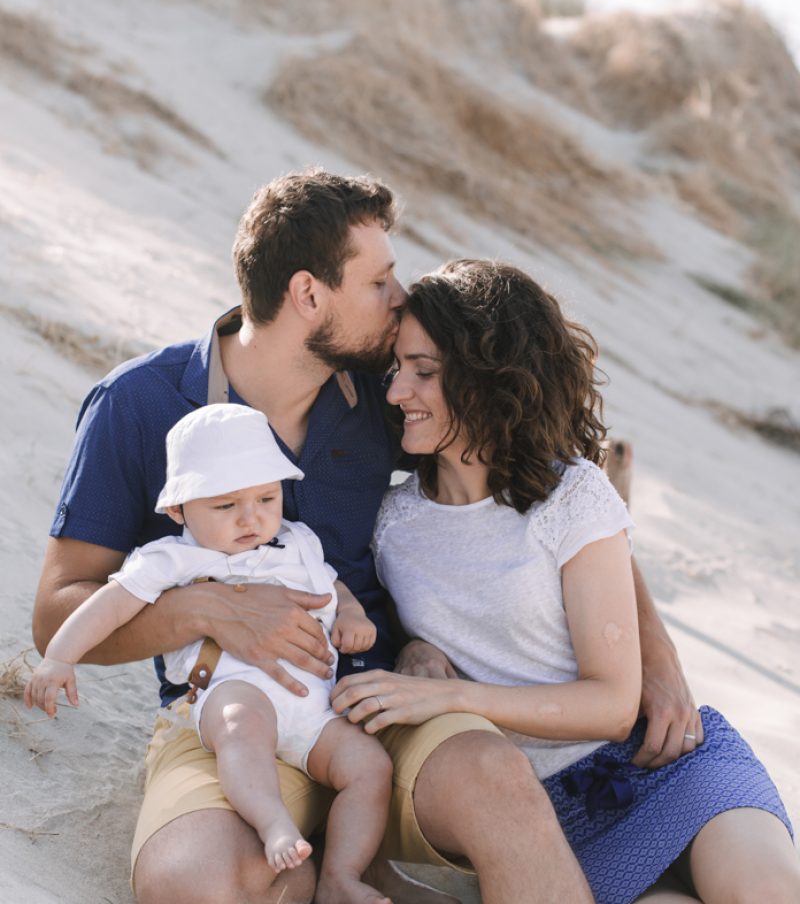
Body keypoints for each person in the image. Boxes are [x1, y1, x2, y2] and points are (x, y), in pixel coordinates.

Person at [32, 169, 695, 904]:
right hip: (234, 716)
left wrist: (655, 654)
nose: (400, 298)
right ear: (309, 295)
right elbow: (57, 613)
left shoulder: (387, 390)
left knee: (497, 785)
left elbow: (558, 482)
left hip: (387, 708)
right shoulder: (138, 405)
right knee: (195, 884)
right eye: (379, 281)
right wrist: (207, 611)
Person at [331, 259, 800, 904]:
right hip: (557, 813)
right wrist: (418, 657)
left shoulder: (571, 494)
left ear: (489, 379)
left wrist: (454, 699)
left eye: (425, 373)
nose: (395, 392)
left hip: (670, 766)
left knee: (767, 893)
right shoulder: (393, 528)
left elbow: (611, 706)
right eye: (397, 370)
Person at [26, 403, 393, 902]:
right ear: (179, 511)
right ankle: (273, 823)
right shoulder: (173, 559)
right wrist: (60, 657)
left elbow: (331, 586)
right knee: (243, 731)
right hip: (231, 691)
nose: (251, 517)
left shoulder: (298, 541)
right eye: (225, 506)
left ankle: (341, 877)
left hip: (313, 708)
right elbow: (107, 607)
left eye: (266, 497)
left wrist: (350, 616)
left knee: (369, 767)